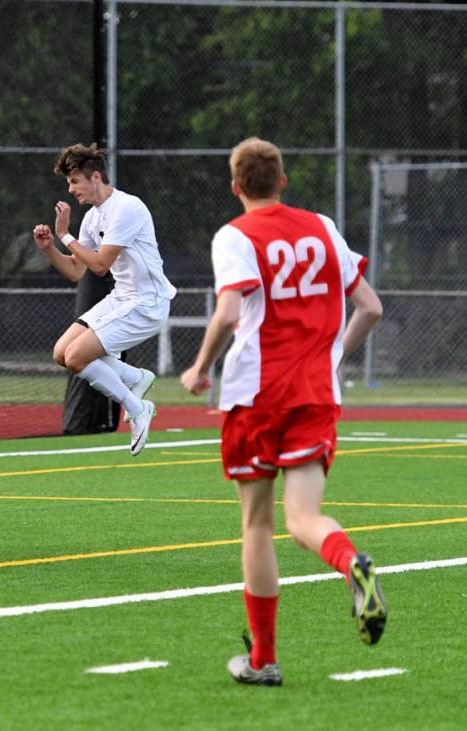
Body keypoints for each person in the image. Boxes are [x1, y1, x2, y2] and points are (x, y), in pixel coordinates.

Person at [180, 137, 387, 686]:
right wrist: (333, 354)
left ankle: (264, 659)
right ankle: (350, 562)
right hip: (316, 393)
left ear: (236, 186)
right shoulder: (321, 225)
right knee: (304, 519)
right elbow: (370, 306)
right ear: (283, 181)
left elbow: (228, 311)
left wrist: (199, 367)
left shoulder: (235, 234)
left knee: (258, 524)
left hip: (256, 395)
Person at [33, 143, 176, 456]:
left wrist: (65, 235)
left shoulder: (127, 208)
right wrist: (49, 248)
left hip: (147, 303)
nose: (71, 190)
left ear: (95, 177)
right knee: (61, 353)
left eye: (74, 182)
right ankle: (136, 377)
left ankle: (137, 408)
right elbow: (75, 271)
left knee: (76, 357)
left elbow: (100, 265)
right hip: (121, 298)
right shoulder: (91, 219)